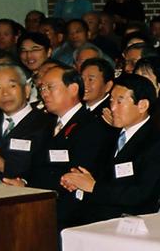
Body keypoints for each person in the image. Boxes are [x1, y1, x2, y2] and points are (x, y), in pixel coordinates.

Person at [59, 74, 160, 224]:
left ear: (142, 105)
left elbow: (141, 194)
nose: (112, 107)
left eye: (120, 101)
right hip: (96, 215)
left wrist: (93, 187)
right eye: (111, 100)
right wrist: (78, 181)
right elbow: (101, 176)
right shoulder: (110, 136)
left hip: (129, 223)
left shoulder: (156, 143)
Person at [16, 64, 112, 227]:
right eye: (42, 88)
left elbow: (76, 175)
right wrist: (24, 184)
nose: (44, 93)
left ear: (73, 88)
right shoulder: (46, 124)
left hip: (71, 215)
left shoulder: (92, 126)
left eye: (50, 87)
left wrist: (33, 187)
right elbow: (39, 165)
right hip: (43, 208)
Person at [0, 63, 54, 182]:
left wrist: (4, 166)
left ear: (27, 90)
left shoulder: (46, 124)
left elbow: (50, 172)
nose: (5, 93)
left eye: (12, 86)